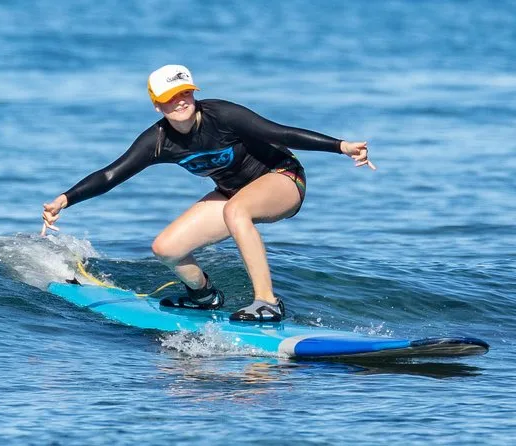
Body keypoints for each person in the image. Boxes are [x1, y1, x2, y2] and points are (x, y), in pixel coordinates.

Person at [42, 64, 376, 322]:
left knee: (236, 211)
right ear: (157, 105)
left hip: (283, 178)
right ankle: (204, 296)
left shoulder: (223, 115)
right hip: (232, 192)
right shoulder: (158, 141)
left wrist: (341, 146)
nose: (180, 101)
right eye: (170, 97)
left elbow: (280, 133)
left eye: (185, 92)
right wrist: (64, 199)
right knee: (166, 248)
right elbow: (111, 174)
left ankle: (268, 303)